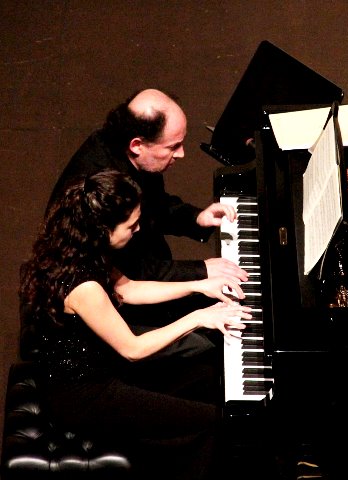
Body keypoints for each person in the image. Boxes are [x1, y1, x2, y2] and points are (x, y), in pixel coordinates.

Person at [20, 170, 252, 479]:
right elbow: (133, 349)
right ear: (103, 229)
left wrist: (198, 285)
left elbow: (128, 289)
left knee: (208, 375)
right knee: (211, 422)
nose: (138, 229)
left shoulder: (82, 247)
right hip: (84, 394)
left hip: (102, 364)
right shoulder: (82, 286)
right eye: (131, 225)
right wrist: (198, 317)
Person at [46, 88, 248, 353]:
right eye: (173, 146)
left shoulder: (137, 158)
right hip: (105, 332)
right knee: (204, 346)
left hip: (127, 283)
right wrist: (200, 282)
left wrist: (195, 220)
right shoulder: (99, 197)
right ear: (137, 145)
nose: (182, 154)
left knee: (211, 320)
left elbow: (128, 285)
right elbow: (133, 339)